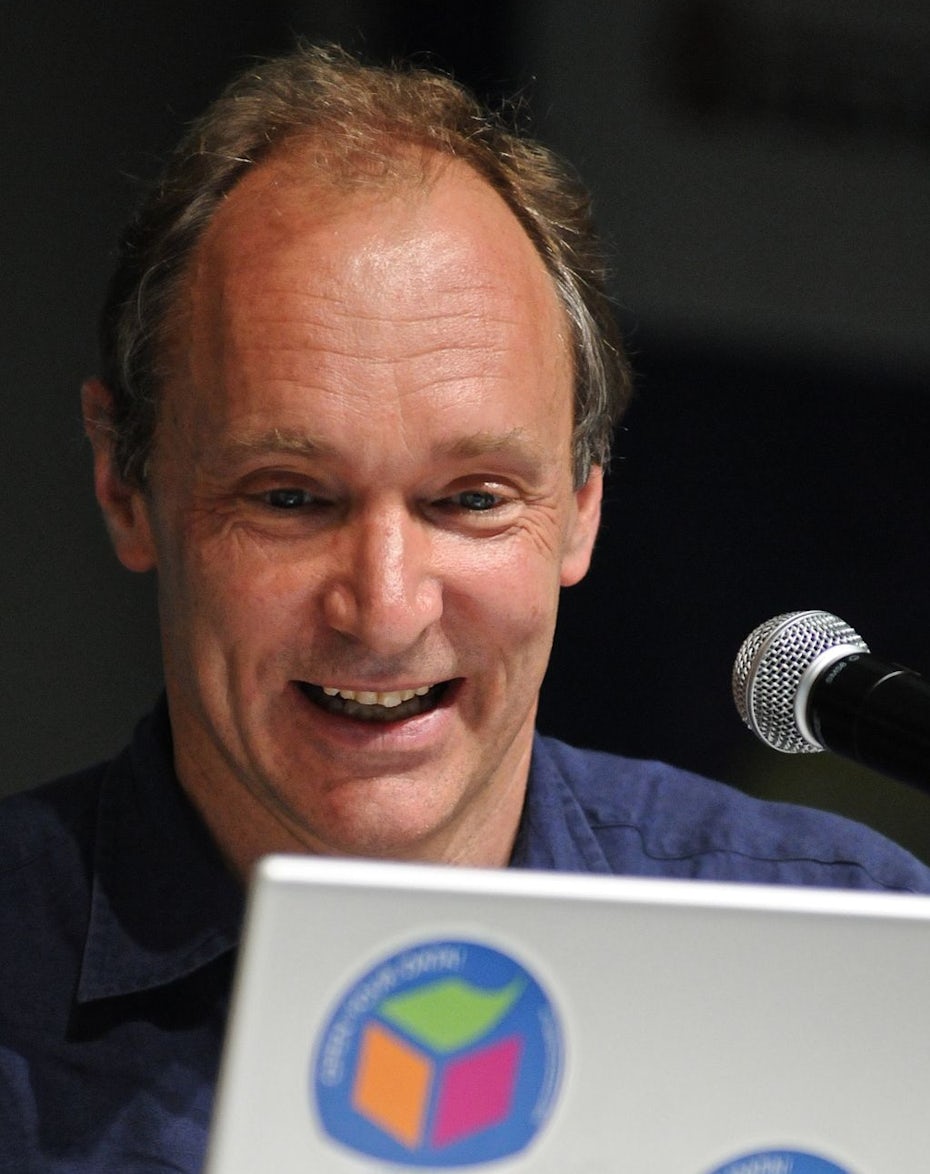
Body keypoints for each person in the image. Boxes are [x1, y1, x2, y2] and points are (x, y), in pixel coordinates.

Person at [2, 43, 928, 1173]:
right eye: (291, 498)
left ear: (583, 503)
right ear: (123, 485)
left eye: (471, 499)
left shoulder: (849, 955)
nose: (384, 609)